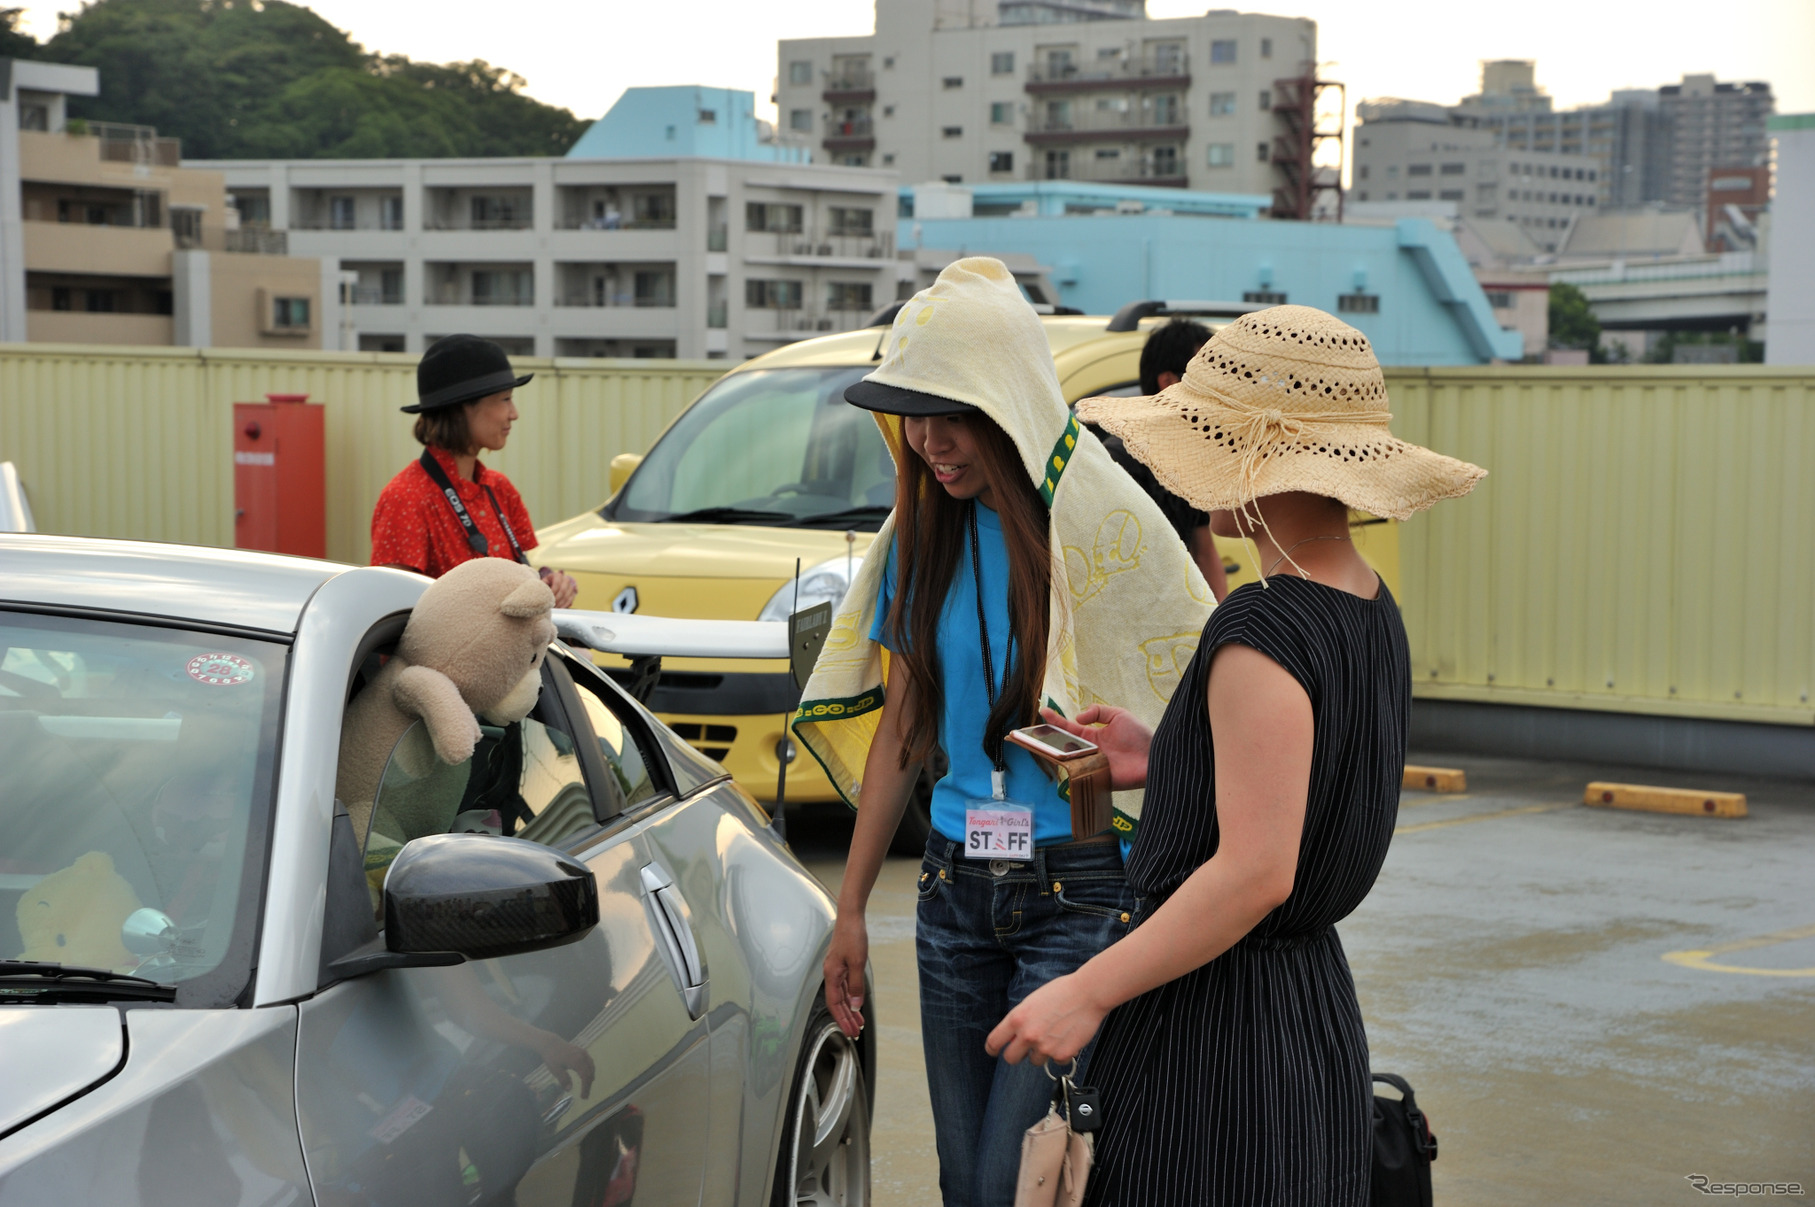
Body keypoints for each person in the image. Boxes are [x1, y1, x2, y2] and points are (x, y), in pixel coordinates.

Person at [984, 305, 1486, 1206]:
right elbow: (1298, 784)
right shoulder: (1367, 606)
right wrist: (1167, 753)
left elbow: (1255, 871)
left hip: (1213, 1034)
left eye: (1210, 438)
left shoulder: (1263, 622)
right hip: (1309, 1022)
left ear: (1261, 460)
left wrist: (1086, 990)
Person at [790, 258, 1212, 1207]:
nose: (931, 441)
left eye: (952, 411)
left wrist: (1148, 757)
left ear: (1004, 400)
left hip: (1078, 896)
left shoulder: (1101, 520)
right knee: (965, 1187)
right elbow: (903, 727)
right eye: (912, 414)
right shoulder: (920, 534)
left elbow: (1196, 684)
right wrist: (850, 907)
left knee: (1015, 1187)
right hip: (949, 893)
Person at [371, 334, 578, 607]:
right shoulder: (406, 498)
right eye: (505, 399)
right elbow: (388, 609)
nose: (514, 413)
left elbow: (516, 578)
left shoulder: (499, 488)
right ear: (461, 409)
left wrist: (548, 583)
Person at [1090, 319, 1229, 599]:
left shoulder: (1189, 457)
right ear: (1168, 383)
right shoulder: (1117, 461)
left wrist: (1219, 627)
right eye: (1209, 378)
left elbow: (1204, 552)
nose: (1221, 392)